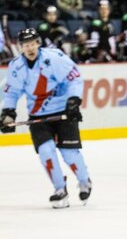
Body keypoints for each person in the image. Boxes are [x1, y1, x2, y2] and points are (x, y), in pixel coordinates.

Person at [0, 28, 92, 208]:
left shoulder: (54, 57)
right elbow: (12, 93)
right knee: (46, 151)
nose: (30, 47)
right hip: (38, 115)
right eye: (26, 45)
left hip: (63, 111)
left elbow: (74, 77)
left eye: (33, 43)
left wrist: (73, 100)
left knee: (69, 153)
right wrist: (7, 114)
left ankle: (84, 181)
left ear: (39, 43)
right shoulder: (16, 67)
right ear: (21, 47)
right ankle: (59, 189)